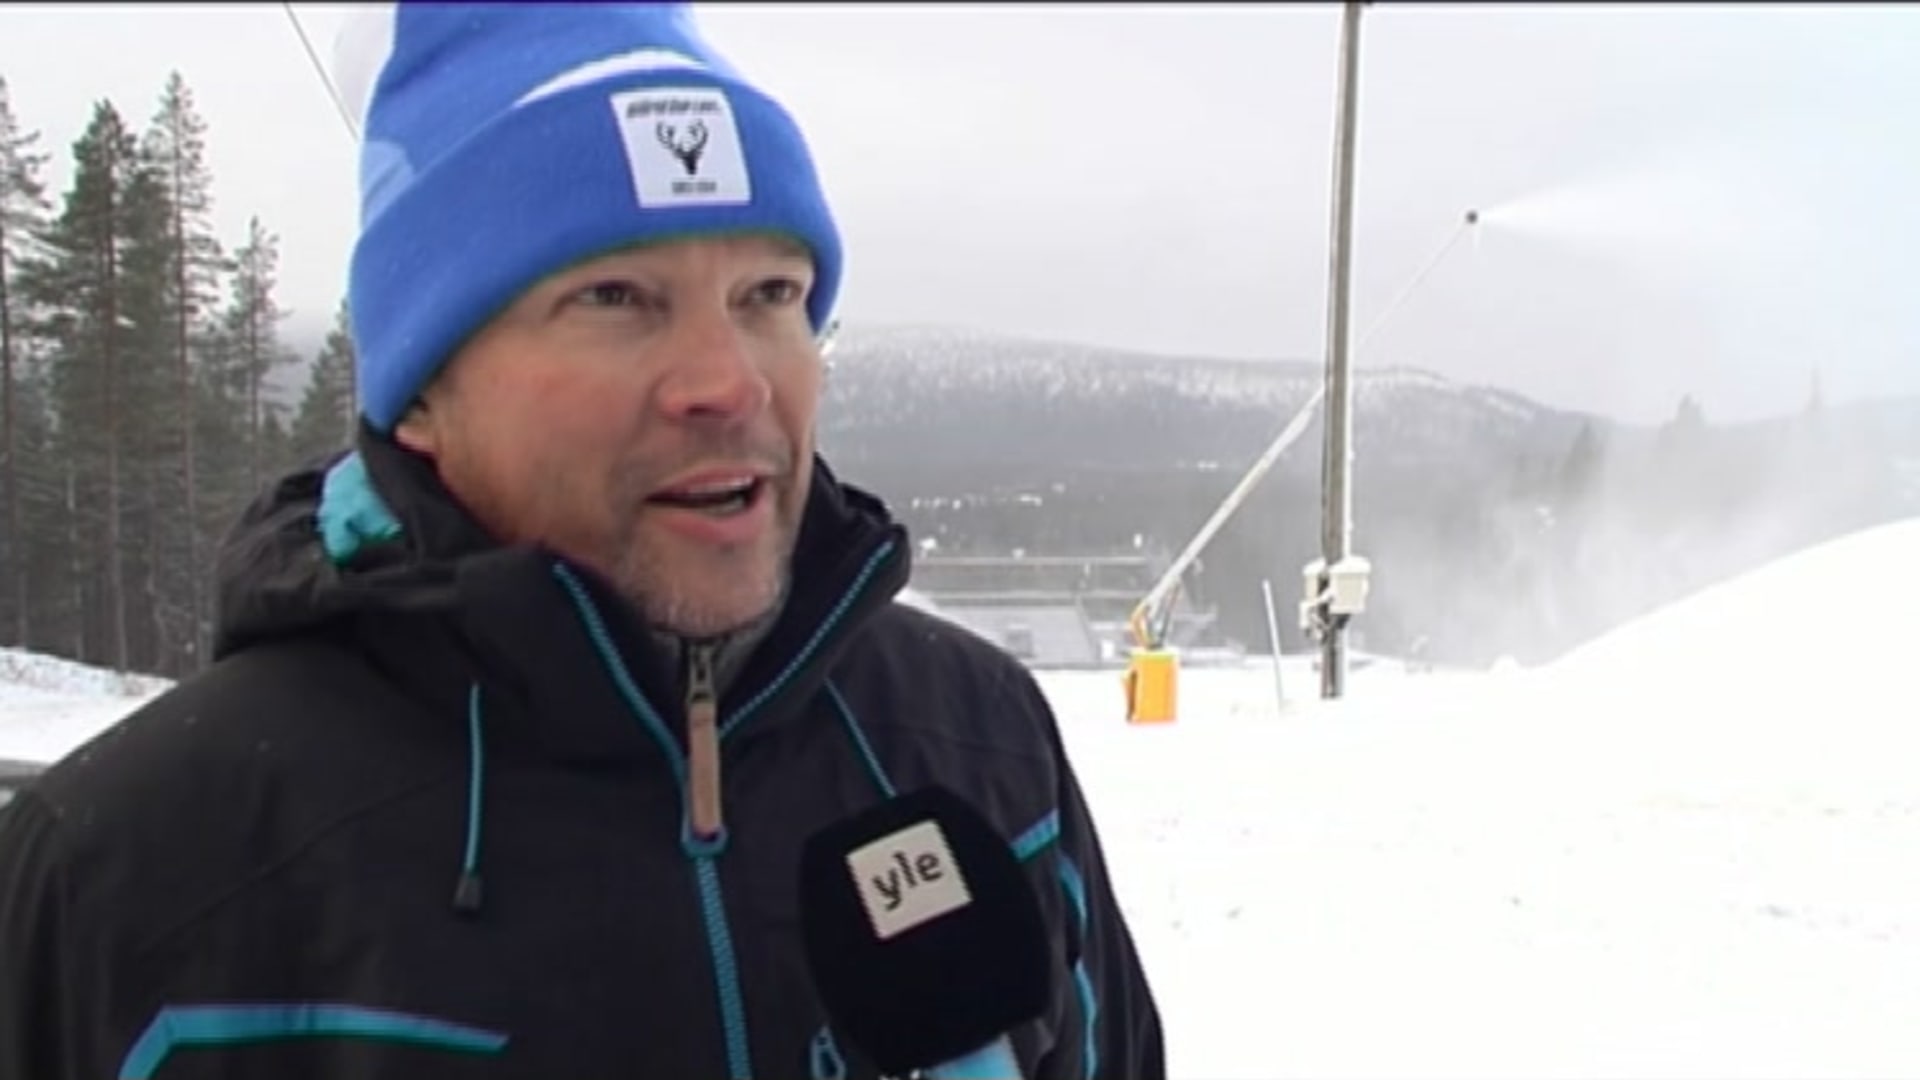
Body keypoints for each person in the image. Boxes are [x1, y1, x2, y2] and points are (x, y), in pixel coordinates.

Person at [0, 3, 1164, 1078]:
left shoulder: (976, 745)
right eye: (614, 298)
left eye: (770, 293)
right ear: (421, 394)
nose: (729, 383)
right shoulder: (130, 877)